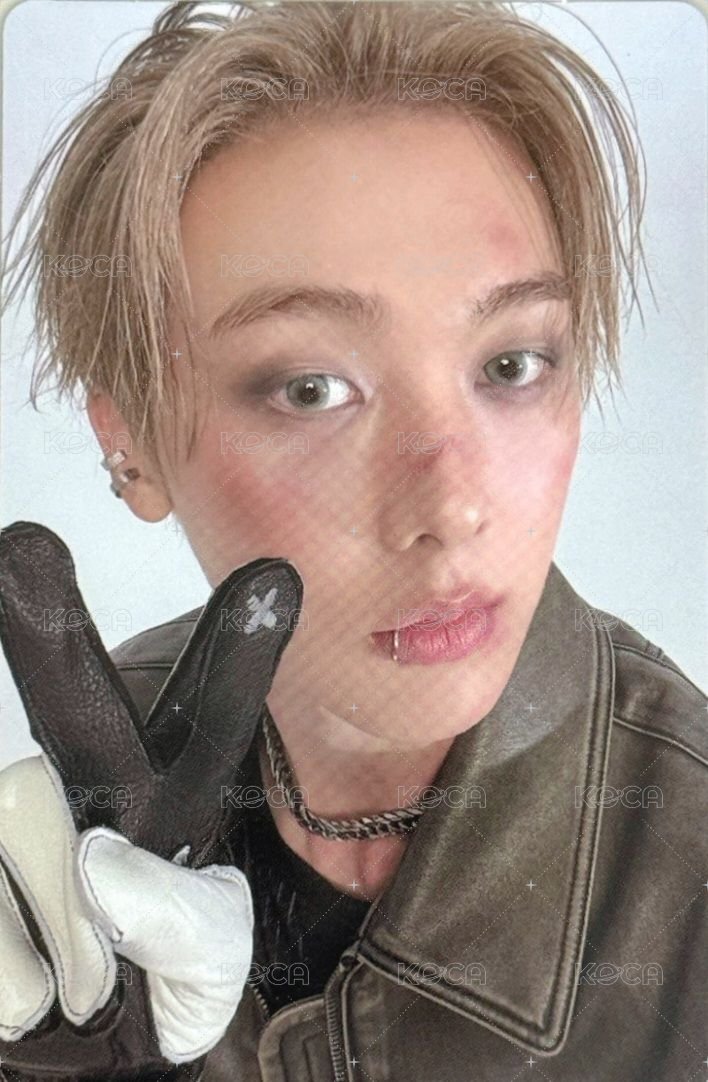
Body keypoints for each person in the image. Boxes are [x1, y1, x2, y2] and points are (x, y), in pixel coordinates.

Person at [0, 2, 705, 1080]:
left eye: (511, 364)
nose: (451, 506)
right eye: (312, 388)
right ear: (129, 444)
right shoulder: (87, 773)